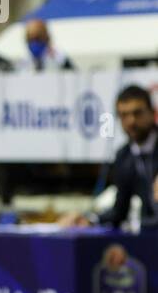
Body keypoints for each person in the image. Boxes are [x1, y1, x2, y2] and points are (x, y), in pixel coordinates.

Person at [61, 85, 157, 229]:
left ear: (152, 113)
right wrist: (90, 220)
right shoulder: (124, 156)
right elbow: (119, 210)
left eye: (137, 113)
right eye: (124, 115)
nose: (131, 121)